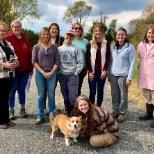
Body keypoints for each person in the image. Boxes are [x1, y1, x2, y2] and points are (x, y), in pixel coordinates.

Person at [5, 20, 33, 120]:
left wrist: (31, 68)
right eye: (15, 27)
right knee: (11, 92)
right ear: (12, 28)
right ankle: (11, 110)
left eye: (19, 26)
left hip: (24, 71)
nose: (17, 28)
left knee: (22, 91)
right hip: (13, 72)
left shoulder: (25, 40)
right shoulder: (7, 39)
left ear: (21, 28)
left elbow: (30, 55)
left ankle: (22, 108)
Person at [32, 27, 59, 125]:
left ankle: (51, 114)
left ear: (50, 35)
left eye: (47, 34)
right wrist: (43, 72)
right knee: (40, 95)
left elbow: (57, 62)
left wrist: (51, 72)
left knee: (51, 95)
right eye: (44, 34)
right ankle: (40, 116)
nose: (46, 36)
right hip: (40, 73)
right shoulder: (36, 47)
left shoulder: (54, 47)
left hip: (51, 73)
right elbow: (34, 61)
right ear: (40, 35)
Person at [108, 27, 136, 123]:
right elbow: (110, 62)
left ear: (125, 36)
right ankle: (115, 110)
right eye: (118, 34)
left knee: (123, 95)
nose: (120, 36)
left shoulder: (130, 47)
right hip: (113, 74)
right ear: (116, 36)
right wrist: (109, 73)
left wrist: (129, 77)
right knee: (115, 94)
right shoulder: (113, 47)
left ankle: (122, 112)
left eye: (122, 34)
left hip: (124, 75)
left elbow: (132, 63)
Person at [58, 29, 83, 116]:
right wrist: (58, 73)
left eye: (71, 35)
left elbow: (80, 62)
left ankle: (74, 113)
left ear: (73, 37)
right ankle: (67, 111)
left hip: (72, 75)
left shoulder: (76, 48)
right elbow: (56, 62)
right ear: (65, 36)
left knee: (73, 96)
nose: (69, 37)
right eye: (67, 35)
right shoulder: (60, 49)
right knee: (65, 94)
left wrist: (76, 73)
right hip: (62, 75)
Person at [0, 21, 19, 129]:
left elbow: (15, 57)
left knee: (5, 98)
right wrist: (4, 64)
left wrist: (16, 63)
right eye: (0, 30)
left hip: (10, 75)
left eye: (3, 30)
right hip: (1, 76)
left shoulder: (8, 44)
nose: (2, 32)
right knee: (0, 98)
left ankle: (6, 119)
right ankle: (1, 121)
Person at [86, 24, 110, 107]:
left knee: (100, 91)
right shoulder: (90, 43)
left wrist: (105, 70)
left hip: (101, 71)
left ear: (102, 32)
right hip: (93, 71)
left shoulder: (106, 43)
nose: (97, 32)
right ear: (94, 32)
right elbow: (88, 59)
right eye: (96, 31)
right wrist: (90, 71)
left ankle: (99, 108)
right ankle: (91, 108)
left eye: (99, 31)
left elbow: (107, 58)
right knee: (92, 91)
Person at [137, 25, 154, 128]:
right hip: (144, 74)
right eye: (149, 33)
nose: (150, 35)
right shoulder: (141, 44)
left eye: (152, 33)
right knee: (147, 95)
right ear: (146, 33)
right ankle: (149, 113)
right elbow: (139, 56)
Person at [43, 23, 61, 115]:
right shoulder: (46, 41)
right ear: (49, 30)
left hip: (56, 69)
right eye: (52, 29)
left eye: (56, 29)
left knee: (52, 88)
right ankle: (44, 107)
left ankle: (52, 106)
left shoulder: (59, 42)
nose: (54, 30)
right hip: (46, 69)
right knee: (45, 89)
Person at [72, 22, 88, 95]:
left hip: (82, 68)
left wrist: (87, 67)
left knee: (78, 87)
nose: (77, 29)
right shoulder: (68, 39)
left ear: (81, 30)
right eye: (75, 28)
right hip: (70, 68)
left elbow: (88, 55)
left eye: (79, 28)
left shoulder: (85, 41)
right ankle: (69, 105)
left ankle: (77, 105)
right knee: (70, 87)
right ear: (72, 29)